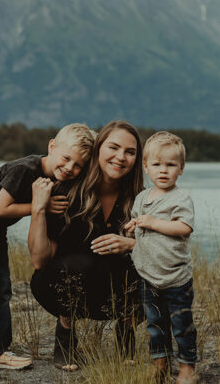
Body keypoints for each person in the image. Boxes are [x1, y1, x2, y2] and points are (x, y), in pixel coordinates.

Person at [0, 123, 95, 378]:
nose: (70, 168)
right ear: (51, 147)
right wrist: (42, 206)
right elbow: (0, 209)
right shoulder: (25, 169)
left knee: (1, 289)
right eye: (66, 158)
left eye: (78, 165)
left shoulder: (53, 178)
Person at [27, 120, 144, 370]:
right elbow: (39, 261)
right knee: (79, 263)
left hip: (116, 287)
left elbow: (166, 249)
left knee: (163, 275)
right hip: (73, 282)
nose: (121, 157)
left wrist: (131, 244)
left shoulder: (142, 198)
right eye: (113, 147)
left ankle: (126, 332)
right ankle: (66, 332)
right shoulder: (67, 192)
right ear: (98, 149)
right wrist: (38, 208)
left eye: (130, 152)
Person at [125, 131, 198, 384]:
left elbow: (184, 227)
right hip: (149, 275)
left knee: (181, 325)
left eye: (170, 165)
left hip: (176, 277)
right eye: (156, 164)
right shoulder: (143, 198)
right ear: (146, 167)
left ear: (181, 169)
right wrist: (133, 225)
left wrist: (154, 222)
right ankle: (160, 363)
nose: (163, 170)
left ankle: (188, 368)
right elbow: (139, 221)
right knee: (155, 325)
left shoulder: (180, 198)